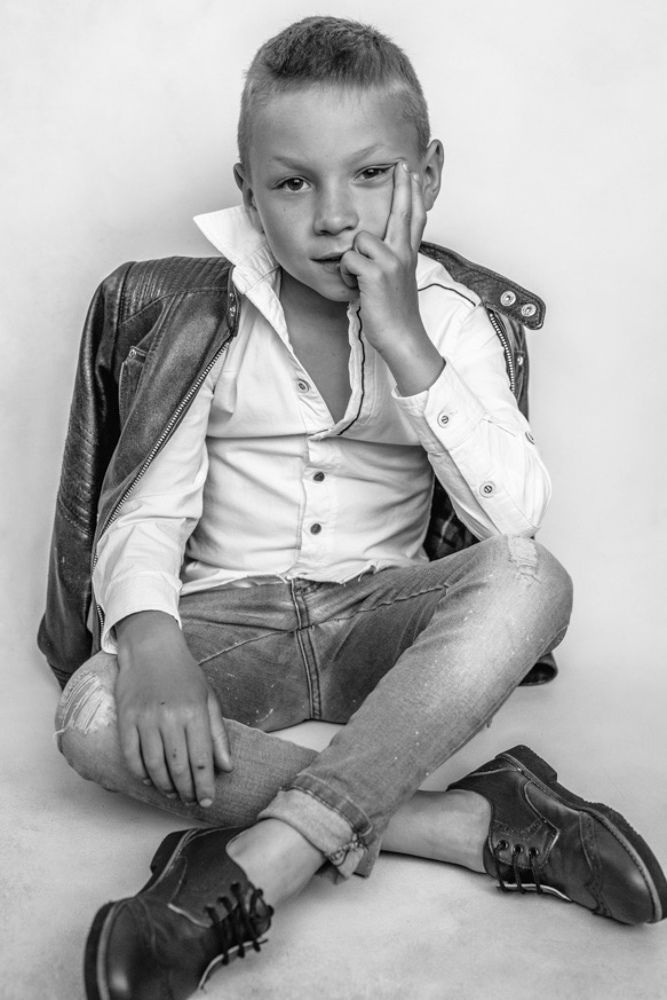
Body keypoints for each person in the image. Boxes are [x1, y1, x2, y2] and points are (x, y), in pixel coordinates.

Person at [47, 15, 666, 1000]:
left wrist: (404, 337)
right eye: (293, 184)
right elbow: (150, 510)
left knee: (531, 576)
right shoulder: (205, 315)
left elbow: (512, 524)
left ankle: (261, 861)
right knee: (89, 716)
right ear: (249, 191)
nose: (335, 218)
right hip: (230, 626)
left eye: (371, 175)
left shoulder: (452, 318)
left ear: (428, 174)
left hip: (379, 625)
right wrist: (152, 642)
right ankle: (466, 821)